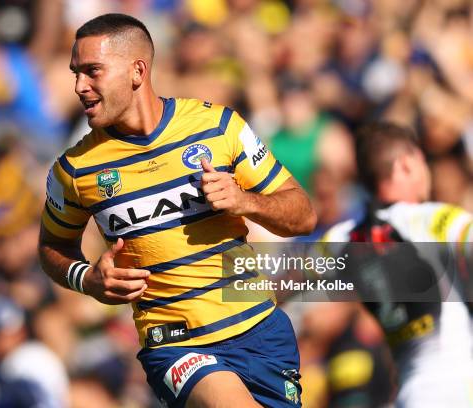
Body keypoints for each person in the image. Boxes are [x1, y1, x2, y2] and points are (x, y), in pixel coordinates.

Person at [38, 14, 316, 408]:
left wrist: (246, 201)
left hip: (260, 330)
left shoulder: (219, 127)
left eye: (92, 71)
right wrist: (86, 279)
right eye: (75, 73)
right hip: (175, 345)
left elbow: (303, 216)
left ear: (137, 70)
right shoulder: (74, 170)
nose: (80, 86)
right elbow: (51, 246)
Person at [323, 122, 472, 407]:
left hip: (410, 396)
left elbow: (273, 287)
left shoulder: (339, 239)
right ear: (407, 164)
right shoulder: (435, 220)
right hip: (461, 388)